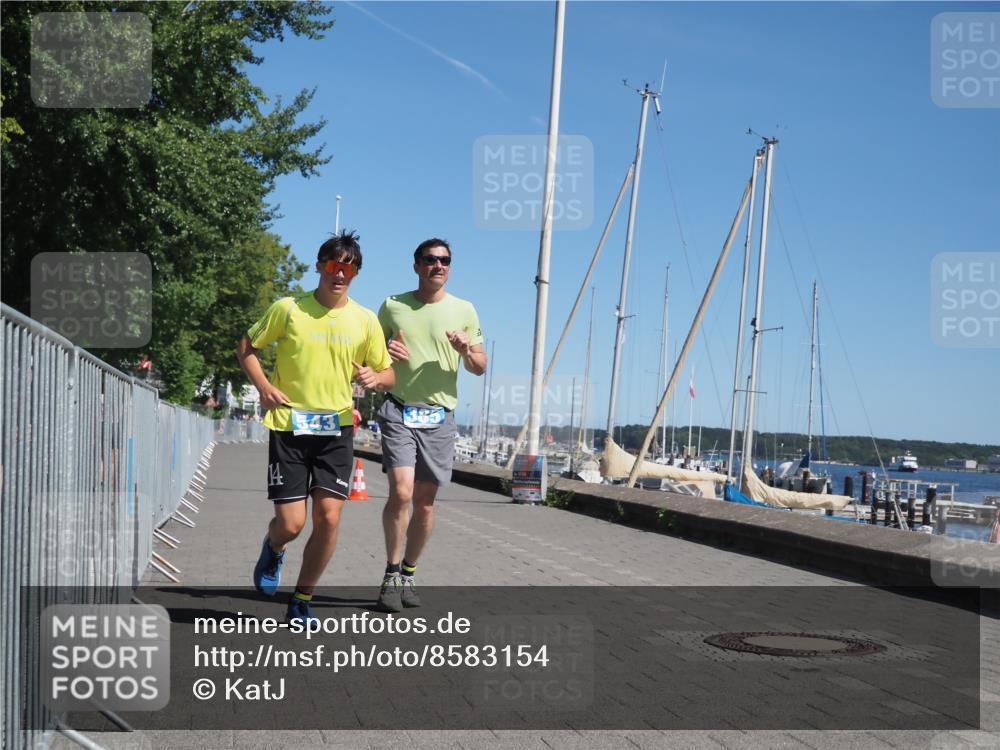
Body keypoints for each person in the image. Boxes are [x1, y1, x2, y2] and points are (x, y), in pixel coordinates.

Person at [236, 230, 394, 624]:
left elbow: (388, 373)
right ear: (319, 266)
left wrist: (376, 379)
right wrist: (265, 387)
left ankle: (301, 599)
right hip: (289, 427)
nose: (340, 274)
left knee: (329, 518)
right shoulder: (288, 309)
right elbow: (247, 347)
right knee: (292, 524)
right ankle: (274, 547)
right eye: (333, 265)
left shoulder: (365, 320)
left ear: (356, 274)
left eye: (348, 268)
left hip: (335, 431)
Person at [375, 238, 486, 612]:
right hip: (399, 410)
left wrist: (465, 350)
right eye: (430, 259)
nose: (438, 265)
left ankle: (409, 572)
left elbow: (480, 366)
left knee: (424, 504)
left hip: (439, 417)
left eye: (444, 260)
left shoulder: (465, 310)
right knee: (402, 492)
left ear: (449, 267)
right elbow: (369, 356)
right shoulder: (393, 306)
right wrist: (385, 351)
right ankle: (391, 573)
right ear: (416, 266)